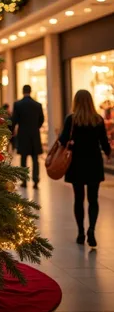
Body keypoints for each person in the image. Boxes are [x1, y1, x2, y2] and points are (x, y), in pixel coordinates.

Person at [59, 89, 111, 248]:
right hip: (94, 162)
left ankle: (81, 232)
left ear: (76, 101)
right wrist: (108, 154)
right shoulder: (98, 119)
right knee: (93, 199)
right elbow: (104, 143)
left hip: (76, 163)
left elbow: (63, 140)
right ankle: (92, 230)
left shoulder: (71, 119)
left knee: (79, 198)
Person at [12, 85, 44, 188]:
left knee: (23, 158)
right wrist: (35, 127)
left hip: (23, 135)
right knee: (35, 159)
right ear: (30, 91)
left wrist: (12, 131)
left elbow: (14, 120)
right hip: (34, 135)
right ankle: (35, 180)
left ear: (23, 91)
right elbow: (41, 120)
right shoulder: (37, 105)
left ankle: (24, 181)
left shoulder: (18, 105)